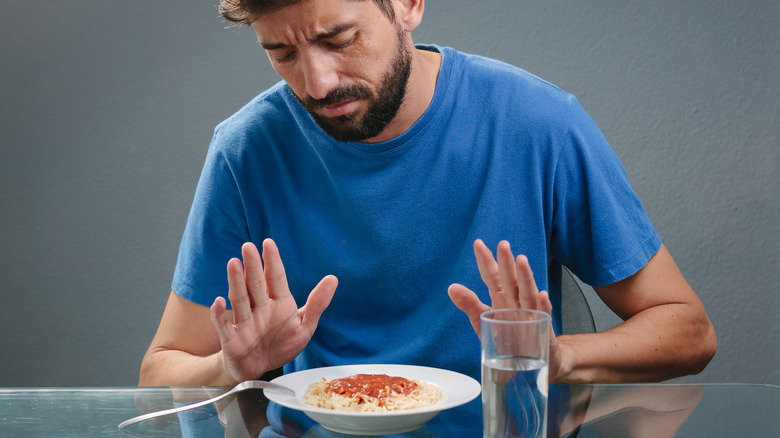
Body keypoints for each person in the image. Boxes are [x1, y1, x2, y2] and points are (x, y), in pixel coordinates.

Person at [139, 0, 716, 394]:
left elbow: (688, 330)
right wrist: (229, 367)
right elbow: (157, 374)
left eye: (337, 39)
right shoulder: (246, 149)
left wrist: (559, 357)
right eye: (283, 54)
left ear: (409, 5)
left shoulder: (537, 123)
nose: (316, 83)